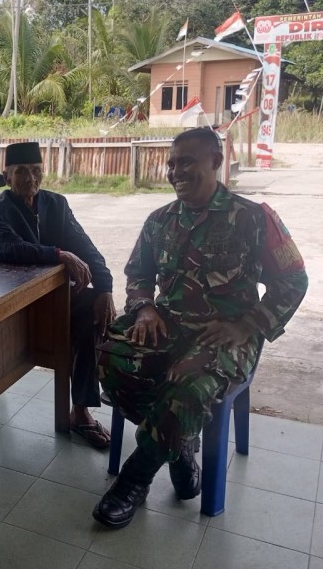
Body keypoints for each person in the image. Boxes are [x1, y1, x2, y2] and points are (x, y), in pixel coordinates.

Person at [92, 128, 308, 529]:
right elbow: (138, 274)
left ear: (215, 162)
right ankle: (180, 449)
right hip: (168, 325)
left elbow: (294, 280)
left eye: (186, 162)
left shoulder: (253, 218)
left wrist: (249, 324)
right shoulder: (159, 221)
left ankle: (134, 480)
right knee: (109, 358)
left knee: (190, 390)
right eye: (172, 163)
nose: (175, 171)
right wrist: (143, 309)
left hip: (226, 336)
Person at [0, 142, 116, 449]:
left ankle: (79, 411)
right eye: (21, 172)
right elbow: (7, 248)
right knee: (80, 317)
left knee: (91, 312)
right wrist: (59, 254)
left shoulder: (56, 204)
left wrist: (105, 288)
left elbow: (86, 247)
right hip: (17, 305)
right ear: (6, 175)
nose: (30, 178)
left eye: (35, 171)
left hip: (56, 300)